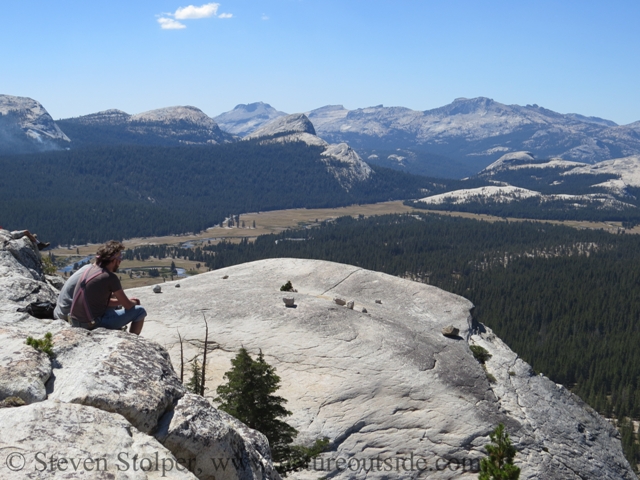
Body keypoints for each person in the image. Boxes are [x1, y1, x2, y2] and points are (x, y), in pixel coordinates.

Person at [69, 241, 146, 334]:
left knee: (114, 305)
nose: (120, 261)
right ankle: (133, 341)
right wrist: (134, 302)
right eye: (120, 258)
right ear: (113, 260)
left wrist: (119, 302)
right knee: (140, 311)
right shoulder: (109, 277)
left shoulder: (89, 270)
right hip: (91, 324)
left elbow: (102, 301)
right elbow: (128, 305)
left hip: (75, 321)